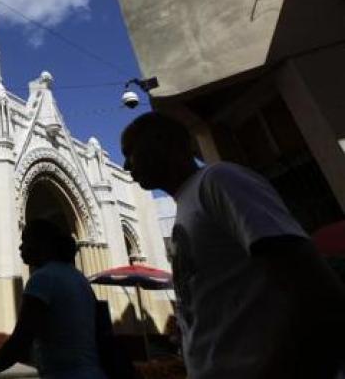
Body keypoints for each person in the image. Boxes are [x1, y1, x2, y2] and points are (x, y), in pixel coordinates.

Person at [121, 112, 345, 379]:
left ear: (163, 144)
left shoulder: (219, 180)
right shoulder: (187, 205)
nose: (126, 165)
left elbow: (315, 288)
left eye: (131, 152)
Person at [0, 220, 106, 379]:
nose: (21, 247)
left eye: (25, 240)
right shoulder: (79, 279)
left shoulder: (42, 279)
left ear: (44, 244)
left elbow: (20, 342)